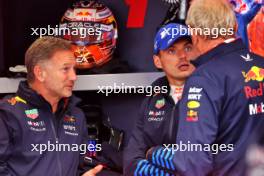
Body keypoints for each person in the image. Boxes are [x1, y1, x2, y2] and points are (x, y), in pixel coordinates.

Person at [135, 0, 264, 175]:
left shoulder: (204, 79)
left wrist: (156, 155)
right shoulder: (260, 65)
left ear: (195, 34)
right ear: (233, 26)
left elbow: (193, 162)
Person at [0, 36, 102, 176]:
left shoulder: (77, 115)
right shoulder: (7, 114)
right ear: (40, 73)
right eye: (65, 69)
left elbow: (86, 162)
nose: (74, 77)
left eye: (74, 69)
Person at [123, 23, 198, 175]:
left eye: (188, 48)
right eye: (172, 50)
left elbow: (207, 159)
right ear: (157, 61)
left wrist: (154, 153)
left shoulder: (212, 93)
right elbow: (131, 162)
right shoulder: (151, 100)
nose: (183, 55)